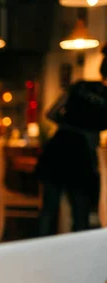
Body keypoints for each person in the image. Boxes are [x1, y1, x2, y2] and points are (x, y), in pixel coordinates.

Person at [37, 44, 107, 236]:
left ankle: (41, 255)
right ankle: (78, 259)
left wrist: (69, 125)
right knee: (81, 212)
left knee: (48, 210)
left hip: (59, 147)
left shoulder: (79, 85)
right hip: (82, 155)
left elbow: (51, 112)